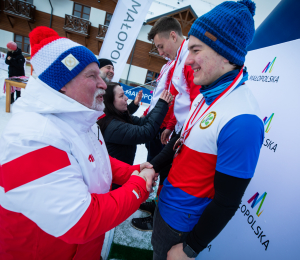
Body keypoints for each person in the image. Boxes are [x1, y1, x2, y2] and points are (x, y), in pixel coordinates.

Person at [0, 26, 157, 260]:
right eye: (92, 76)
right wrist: (137, 187)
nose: (104, 84)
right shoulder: (30, 138)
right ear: (62, 84)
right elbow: (82, 220)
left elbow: (93, 159)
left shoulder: (78, 117)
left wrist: (131, 171)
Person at [150, 1, 265, 259]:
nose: (187, 60)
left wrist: (190, 248)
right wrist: (155, 165)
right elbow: (182, 138)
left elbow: (227, 201)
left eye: (195, 50)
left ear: (225, 53)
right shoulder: (206, 94)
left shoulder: (243, 120)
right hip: (167, 205)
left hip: (183, 228)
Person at [131, 16, 200, 232]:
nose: (160, 53)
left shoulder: (188, 60)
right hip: (179, 129)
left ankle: (160, 218)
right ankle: (158, 208)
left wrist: (175, 128)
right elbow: (177, 96)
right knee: (163, 169)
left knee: (168, 173)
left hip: (188, 133)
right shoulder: (178, 60)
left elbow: (197, 102)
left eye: (160, 46)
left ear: (173, 35)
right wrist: (170, 124)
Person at [97, 83, 172, 166]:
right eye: (121, 96)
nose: (126, 98)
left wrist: (162, 106)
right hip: (114, 175)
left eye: (124, 94)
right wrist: (161, 105)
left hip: (123, 169)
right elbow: (146, 132)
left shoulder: (121, 116)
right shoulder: (113, 126)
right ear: (110, 102)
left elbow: (143, 122)